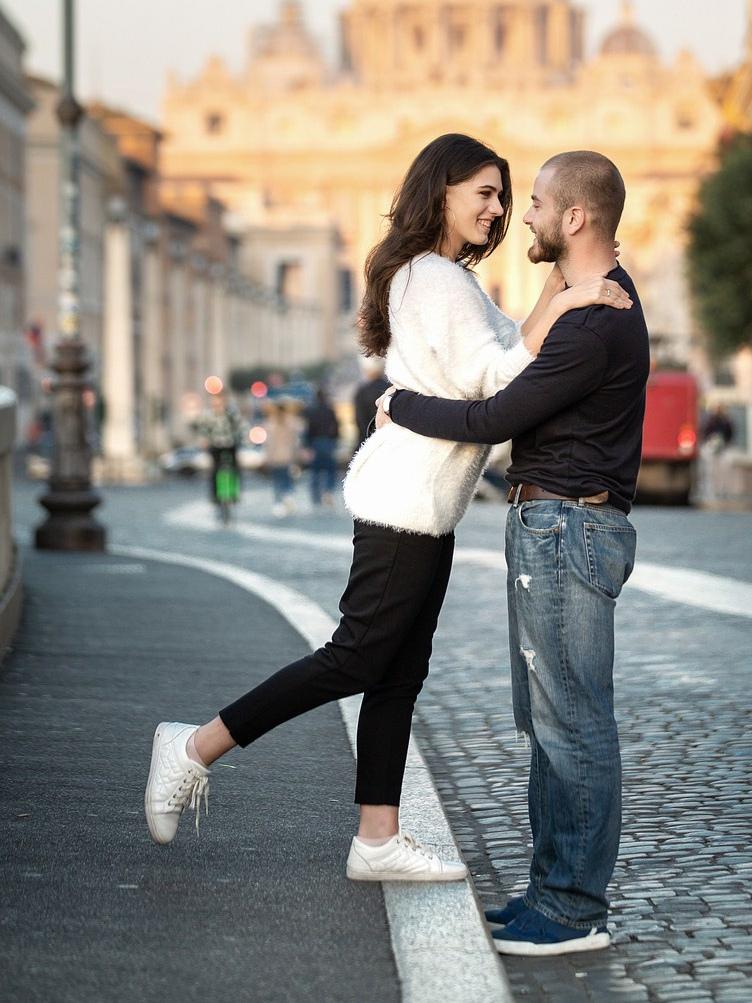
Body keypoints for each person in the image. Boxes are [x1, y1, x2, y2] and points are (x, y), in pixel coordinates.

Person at [143, 132, 629, 883]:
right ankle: (195, 746)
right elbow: (500, 379)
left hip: (425, 503)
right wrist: (570, 298)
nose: (500, 212)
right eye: (486, 194)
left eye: (506, 198)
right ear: (441, 192)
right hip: (406, 498)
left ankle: (377, 840)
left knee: (399, 670)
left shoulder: (444, 279)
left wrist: (561, 295)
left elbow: (505, 343)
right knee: (359, 655)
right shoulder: (435, 279)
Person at [376, 149, 649, 956]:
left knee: (573, 724)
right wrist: (556, 295)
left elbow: (495, 413)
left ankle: (570, 910)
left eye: (531, 203)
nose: (518, 216)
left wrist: (400, 405)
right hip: (555, 525)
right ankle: (548, 891)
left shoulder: (597, 322)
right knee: (550, 719)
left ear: (574, 218)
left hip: (567, 526)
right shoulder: (587, 306)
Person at [194, 390, 244, 515]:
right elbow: (203, 429)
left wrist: (245, 436)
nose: (216, 402)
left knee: (235, 468)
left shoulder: (231, 413)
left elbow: (242, 425)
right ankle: (215, 495)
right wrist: (203, 439)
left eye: (219, 399)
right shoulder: (208, 414)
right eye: (214, 399)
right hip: (215, 445)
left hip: (230, 443)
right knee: (214, 470)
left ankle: (235, 492)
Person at [303, 386, 340, 508]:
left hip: (315, 442)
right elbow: (336, 426)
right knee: (330, 470)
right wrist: (334, 439)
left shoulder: (311, 411)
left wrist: (308, 445)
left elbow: (308, 429)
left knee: (315, 471)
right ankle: (328, 491)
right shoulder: (330, 410)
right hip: (328, 441)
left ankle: (316, 497)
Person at [263, 399, 302, 516]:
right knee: (287, 479)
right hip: (287, 455)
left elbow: (268, 443)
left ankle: (280, 502)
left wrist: (267, 457)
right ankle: (288, 497)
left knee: (277, 481)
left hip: (275, 457)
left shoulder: (271, 424)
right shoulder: (291, 423)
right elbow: (295, 441)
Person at [351, 357, 390, 453]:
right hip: (391, 443)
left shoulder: (362, 392)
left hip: (369, 443)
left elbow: (360, 422)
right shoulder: (392, 389)